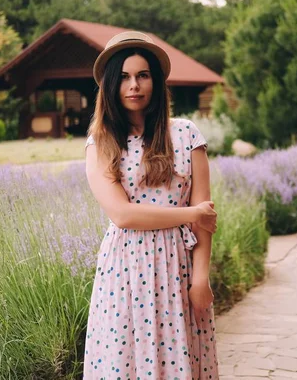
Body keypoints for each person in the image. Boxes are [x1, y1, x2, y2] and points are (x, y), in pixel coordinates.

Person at [83, 31, 219, 379]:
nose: (134, 85)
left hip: (180, 266)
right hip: (124, 271)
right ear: (111, 85)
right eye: (125, 77)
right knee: (126, 363)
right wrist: (189, 214)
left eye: (143, 75)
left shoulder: (187, 134)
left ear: (156, 82)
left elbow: (206, 218)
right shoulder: (101, 144)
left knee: (182, 361)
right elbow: (123, 215)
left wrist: (201, 277)